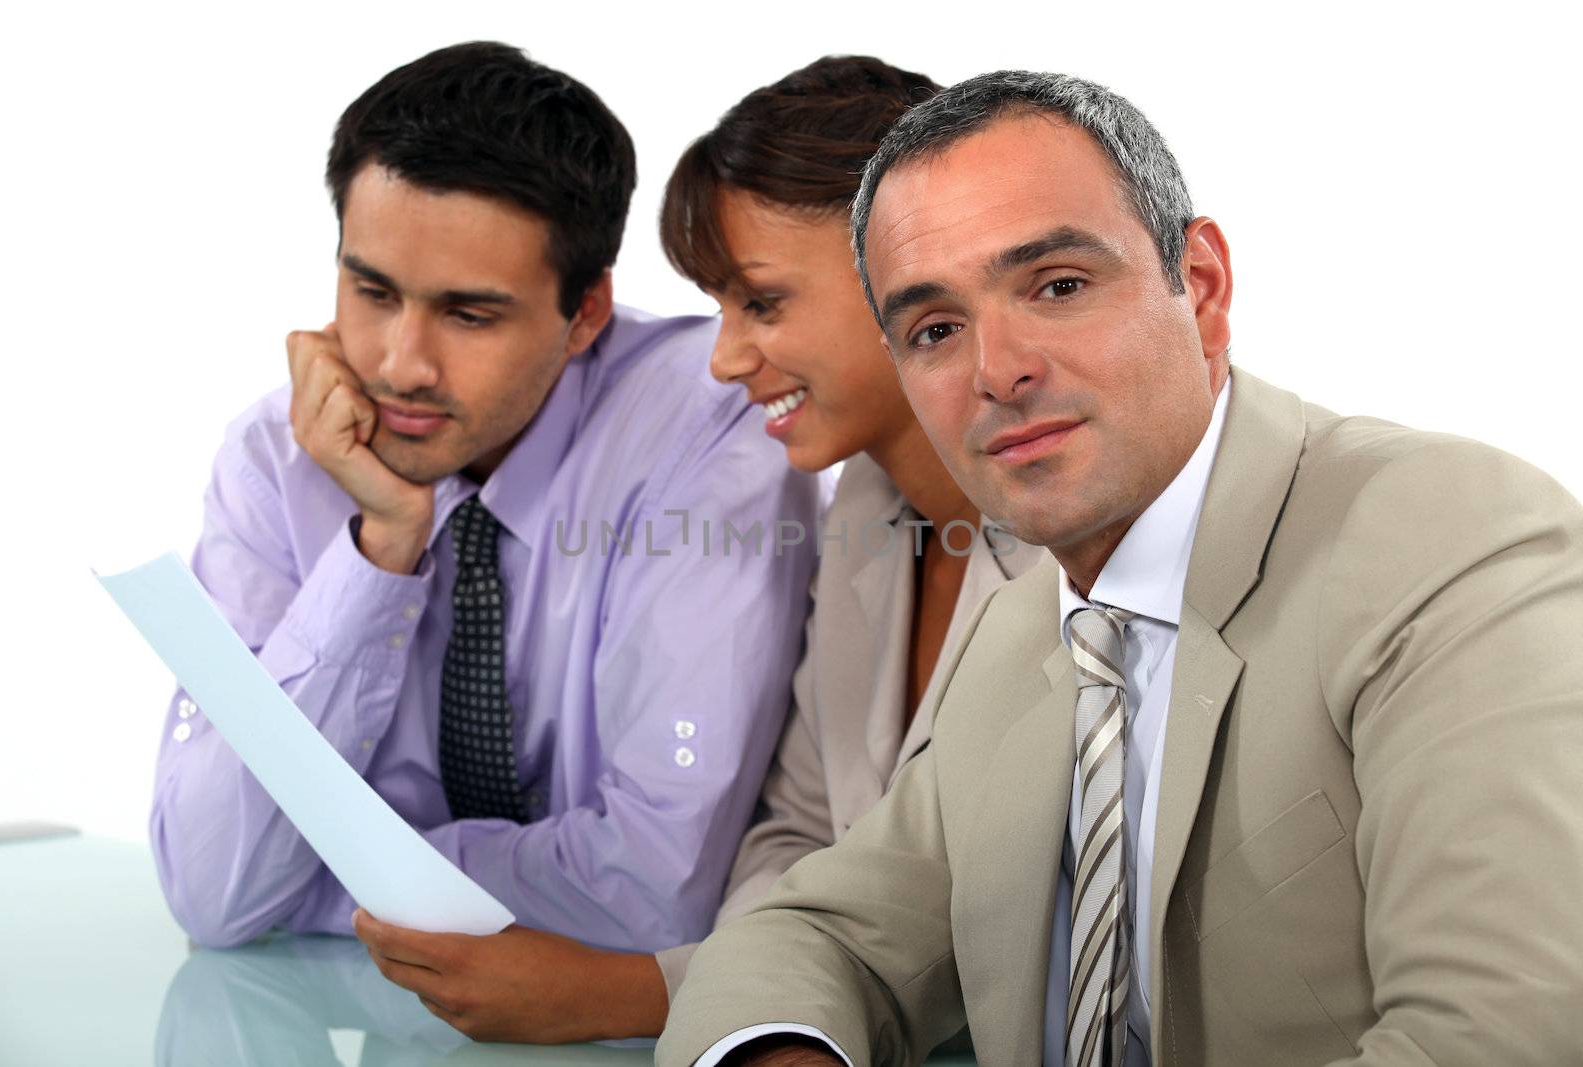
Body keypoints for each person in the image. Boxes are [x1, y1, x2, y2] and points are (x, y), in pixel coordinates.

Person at [657, 71, 1583, 1066]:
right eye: (934, 328)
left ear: (1205, 289)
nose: (995, 368)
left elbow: (1502, 1032)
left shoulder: (1446, 538)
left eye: (1057, 285)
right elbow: (821, 932)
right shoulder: (1028, 636)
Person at [351, 56, 1046, 1044]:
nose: (722, 358)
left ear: (907, 273)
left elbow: (1026, 922)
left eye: (760, 304)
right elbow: (798, 837)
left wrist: (642, 989)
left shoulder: (1078, 532)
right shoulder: (868, 514)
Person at [149, 42, 819, 956]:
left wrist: (326, 871)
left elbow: (657, 892)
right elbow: (213, 888)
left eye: (469, 314)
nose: (399, 365)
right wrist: (378, 546)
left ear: (586, 314)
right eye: (371, 289)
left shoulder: (709, 427)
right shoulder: (279, 458)